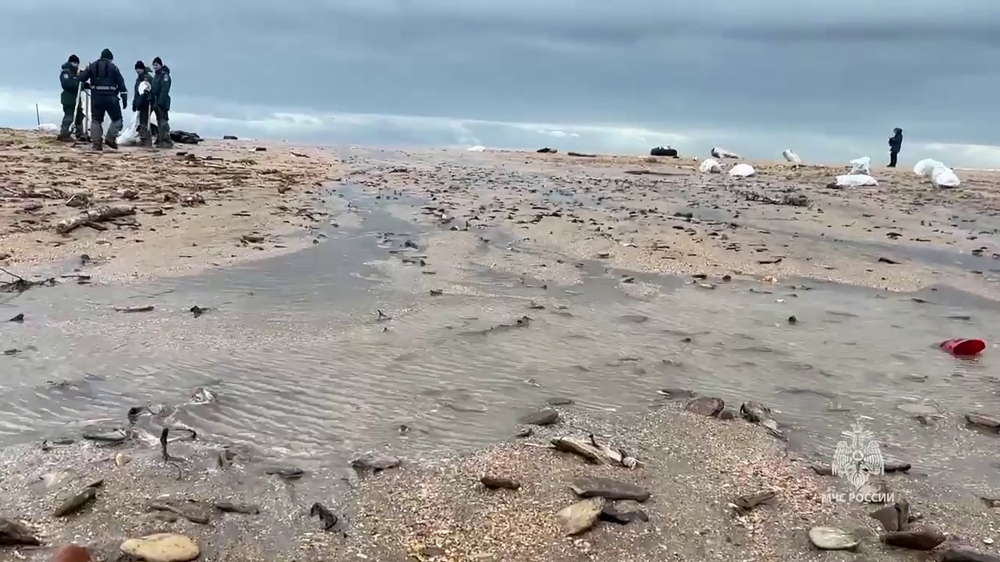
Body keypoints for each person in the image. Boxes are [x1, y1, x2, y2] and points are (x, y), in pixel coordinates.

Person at [77, 48, 128, 151]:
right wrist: (124, 99)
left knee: (96, 120)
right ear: (110, 59)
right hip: (111, 98)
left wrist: (81, 78)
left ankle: (96, 144)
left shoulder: (92, 66)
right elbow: (121, 84)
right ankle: (110, 137)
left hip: (96, 98)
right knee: (117, 119)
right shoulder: (114, 68)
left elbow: (81, 78)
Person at [57, 55, 88, 142]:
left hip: (76, 98)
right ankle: (64, 133)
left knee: (79, 116)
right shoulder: (66, 72)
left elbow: (80, 80)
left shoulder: (76, 73)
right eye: (75, 63)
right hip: (68, 97)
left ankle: (80, 134)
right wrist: (79, 85)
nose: (76, 65)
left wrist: (84, 84)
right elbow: (67, 84)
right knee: (69, 116)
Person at [150, 57, 173, 148]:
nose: (155, 67)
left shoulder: (164, 76)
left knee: (162, 120)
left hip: (162, 101)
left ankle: (166, 140)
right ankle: (160, 138)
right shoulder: (156, 76)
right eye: (154, 65)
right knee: (159, 121)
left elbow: (164, 89)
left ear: (160, 65)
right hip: (155, 100)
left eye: (156, 65)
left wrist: (160, 102)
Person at [133, 61, 153, 146]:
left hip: (146, 103)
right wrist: (134, 103)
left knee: (144, 121)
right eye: (137, 69)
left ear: (143, 69)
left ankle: (146, 140)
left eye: (139, 68)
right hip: (140, 102)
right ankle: (144, 138)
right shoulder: (139, 78)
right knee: (141, 121)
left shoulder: (146, 78)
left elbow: (145, 92)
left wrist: (139, 102)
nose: (138, 70)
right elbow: (136, 93)